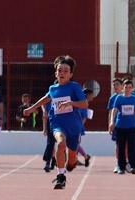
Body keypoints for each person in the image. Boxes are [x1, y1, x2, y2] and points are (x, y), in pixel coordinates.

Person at [23, 55, 88, 189]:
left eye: (65, 71)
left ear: (70, 74)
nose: (62, 73)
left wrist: (71, 103)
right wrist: (31, 108)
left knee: (71, 159)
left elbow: (84, 104)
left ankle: (70, 163)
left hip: (74, 126)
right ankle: (60, 176)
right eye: (59, 70)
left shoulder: (74, 87)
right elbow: (45, 98)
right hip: (57, 123)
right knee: (60, 143)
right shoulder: (53, 88)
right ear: (56, 73)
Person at [110, 79, 135, 175]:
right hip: (120, 127)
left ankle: (133, 166)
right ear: (123, 88)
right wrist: (112, 122)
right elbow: (114, 110)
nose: (127, 89)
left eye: (129, 87)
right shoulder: (119, 98)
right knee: (121, 147)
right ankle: (121, 167)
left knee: (132, 147)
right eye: (126, 87)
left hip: (132, 127)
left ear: (132, 88)